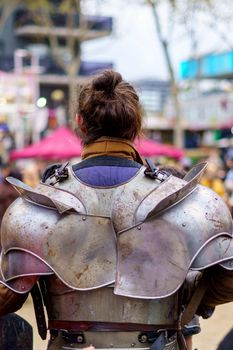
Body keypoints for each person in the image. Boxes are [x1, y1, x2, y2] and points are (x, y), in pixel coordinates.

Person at [1, 70, 233, 350]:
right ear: (136, 128)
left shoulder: (34, 209)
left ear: (80, 124)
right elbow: (228, 276)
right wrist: (189, 294)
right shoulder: (190, 202)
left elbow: (9, 296)